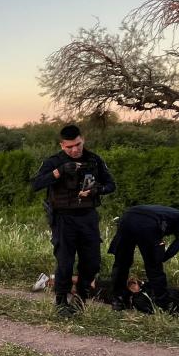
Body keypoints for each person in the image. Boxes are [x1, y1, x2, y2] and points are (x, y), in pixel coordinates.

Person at [30, 124, 116, 316]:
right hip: (63, 218)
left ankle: (81, 298)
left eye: (77, 144)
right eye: (69, 147)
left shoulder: (94, 160)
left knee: (92, 262)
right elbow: (35, 184)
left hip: (87, 217)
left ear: (82, 139)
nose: (75, 149)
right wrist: (59, 171)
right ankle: (61, 302)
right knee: (65, 263)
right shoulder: (54, 161)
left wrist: (97, 190)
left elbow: (111, 185)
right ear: (62, 145)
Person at [108, 205, 179, 312]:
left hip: (127, 217)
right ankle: (163, 305)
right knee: (154, 267)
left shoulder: (164, 212)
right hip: (148, 224)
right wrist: (163, 257)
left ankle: (118, 300)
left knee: (121, 263)